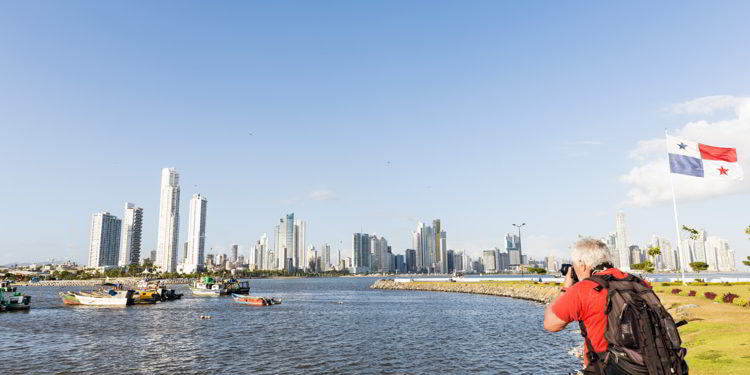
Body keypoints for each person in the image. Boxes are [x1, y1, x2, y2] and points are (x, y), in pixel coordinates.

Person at [543, 238, 650, 374]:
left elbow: (550, 324)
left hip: (606, 368)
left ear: (582, 265)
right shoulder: (637, 282)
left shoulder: (584, 289)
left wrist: (565, 288)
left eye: (574, 265)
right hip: (646, 364)